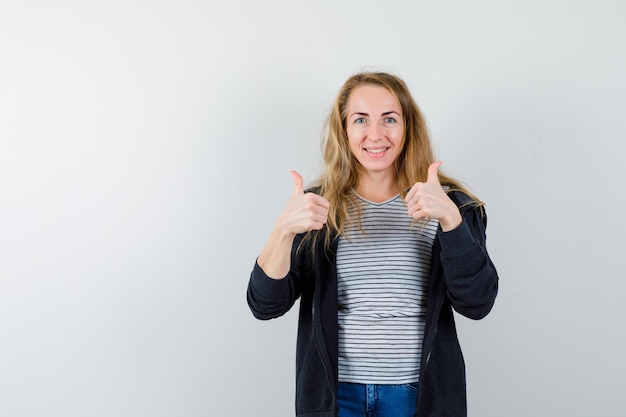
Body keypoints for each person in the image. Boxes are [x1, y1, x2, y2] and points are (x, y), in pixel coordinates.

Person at [246, 71, 499, 417]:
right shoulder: (316, 207)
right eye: (361, 119)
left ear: (408, 126)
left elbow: (478, 303)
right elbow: (265, 305)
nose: (375, 134)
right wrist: (283, 231)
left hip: (417, 397)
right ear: (344, 129)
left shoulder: (449, 206)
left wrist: (451, 222)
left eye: (390, 119)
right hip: (336, 398)